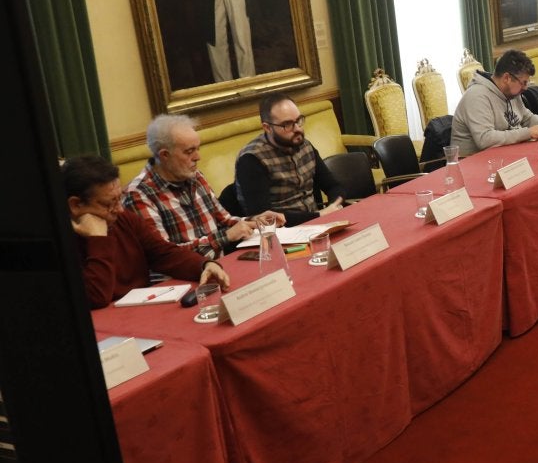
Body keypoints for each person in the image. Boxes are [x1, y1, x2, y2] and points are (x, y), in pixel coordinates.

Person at [65, 154, 229, 309]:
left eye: (119, 198)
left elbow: (164, 253)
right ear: (76, 205)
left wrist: (204, 264)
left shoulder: (123, 219)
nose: (120, 209)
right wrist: (98, 240)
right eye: (109, 204)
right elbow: (96, 296)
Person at [126, 113, 282, 259]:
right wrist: (225, 236)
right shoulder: (140, 194)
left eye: (197, 149)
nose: (197, 157)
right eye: (189, 151)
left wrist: (256, 220)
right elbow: (166, 256)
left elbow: (224, 220)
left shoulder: (194, 176)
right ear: (164, 155)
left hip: (219, 267)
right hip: (180, 282)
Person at [235, 94, 345, 226]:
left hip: (317, 223)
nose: (298, 129)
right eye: (287, 125)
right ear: (267, 128)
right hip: (283, 233)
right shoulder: (251, 159)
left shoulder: (304, 145)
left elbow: (333, 186)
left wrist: (334, 207)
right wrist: (320, 215)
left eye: (298, 120)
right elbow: (264, 217)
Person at [452, 49, 538, 156]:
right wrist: (528, 133)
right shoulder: (476, 96)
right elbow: (485, 139)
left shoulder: (512, 93)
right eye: (523, 82)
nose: (526, 88)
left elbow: (526, 118)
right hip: (473, 163)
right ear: (507, 78)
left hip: (503, 155)